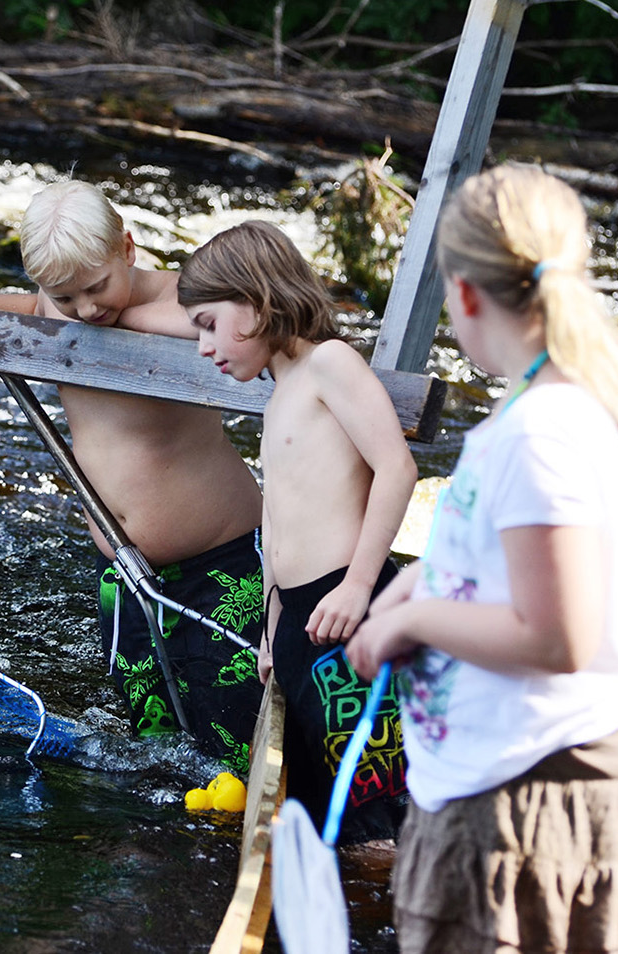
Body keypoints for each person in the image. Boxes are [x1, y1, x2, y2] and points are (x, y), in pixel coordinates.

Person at [345, 164, 618, 953]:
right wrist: (413, 582)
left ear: (462, 294)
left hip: (528, 805)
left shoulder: (545, 430)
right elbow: (516, 555)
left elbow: (556, 635)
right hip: (521, 784)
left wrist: (415, 620)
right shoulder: (564, 395)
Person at [0, 180, 266, 774]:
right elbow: (23, 308)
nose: (88, 310)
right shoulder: (59, 303)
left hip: (219, 559)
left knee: (232, 722)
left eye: (97, 287)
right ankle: (159, 843)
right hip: (123, 568)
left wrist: (113, 323)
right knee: (152, 739)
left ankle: (232, 838)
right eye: (66, 299)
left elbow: (223, 317)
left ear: (127, 247)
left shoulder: (185, 294)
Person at [177, 219, 418, 842]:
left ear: (255, 301)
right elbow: (277, 520)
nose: (203, 346)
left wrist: (360, 586)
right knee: (319, 810)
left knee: (376, 810)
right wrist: (268, 625)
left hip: (345, 612)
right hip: (298, 625)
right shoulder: (281, 388)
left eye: (208, 322)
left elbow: (396, 467)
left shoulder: (330, 364)